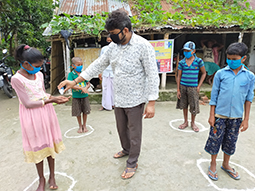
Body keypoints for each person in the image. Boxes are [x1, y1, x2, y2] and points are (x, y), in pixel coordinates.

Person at [58, 9, 159, 179]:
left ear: (125, 30)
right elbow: (97, 65)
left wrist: (152, 102)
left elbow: (152, 74)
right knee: (121, 129)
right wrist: (75, 81)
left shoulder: (143, 47)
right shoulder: (113, 47)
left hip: (135, 99)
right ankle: (126, 150)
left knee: (134, 132)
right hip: (118, 98)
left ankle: (132, 162)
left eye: (113, 34)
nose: (111, 37)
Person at [12, 44, 69, 191]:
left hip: (46, 112)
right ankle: (41, 179)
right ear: (25, 64)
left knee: (49, 145)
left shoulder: (40, 75)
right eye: (37, 66)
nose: (40, 68)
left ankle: (52, 176)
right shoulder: (17, 79)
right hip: (32, 116)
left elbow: (42, 94)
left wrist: (56, 98)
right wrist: (52, 100)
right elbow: (28, 103)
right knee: (38, 148)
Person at [204, 42, 255, 181]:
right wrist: (211, 115)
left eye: (235, 59)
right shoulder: (220, 74)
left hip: (237, 117)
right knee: (215, 140)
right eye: (229, 59)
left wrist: (246, 119)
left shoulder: (250, 77)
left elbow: (249, 99)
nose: (231, 61)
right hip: (220, 115)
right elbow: (214, 96)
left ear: (243, 59)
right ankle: (213, 163)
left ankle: (226, 164)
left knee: (231, 141)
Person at [176, 41, 206, 132]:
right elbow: (179, 75)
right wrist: (178, 89)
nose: (186, 52)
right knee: (184, 104)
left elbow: (204, 73)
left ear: (193, 51)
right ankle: (185, 122)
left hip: (193, 87)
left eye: (188, 50)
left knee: (193, 106)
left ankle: (193, 122)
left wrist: (199, 86)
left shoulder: (198, 61)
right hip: (183, 86)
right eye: (184, 50)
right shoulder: (182, 62)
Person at [68, 57, 91, 133]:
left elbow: (88, 83)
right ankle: (80, 125)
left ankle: (84, 125)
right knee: (78, 112)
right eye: (78, 65)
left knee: (85, 110)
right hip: (76, 97)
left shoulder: (84, 73)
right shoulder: (71, 74)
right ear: (73, 66)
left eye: (81, 64)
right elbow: (70, 85)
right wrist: (81, 89)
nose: (80, 66)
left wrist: (86, 88)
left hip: (84, 96)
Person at [98, 35, 114, 111]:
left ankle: (114, 104)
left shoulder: (118, 48)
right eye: (108, 41)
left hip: (115, 72)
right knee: (105, 89)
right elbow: (100, 61)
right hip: (106, 71)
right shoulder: (104, 49)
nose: (110, 42)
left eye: (111, 40)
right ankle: (104, 105)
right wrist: (99, 71)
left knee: (114, 89)